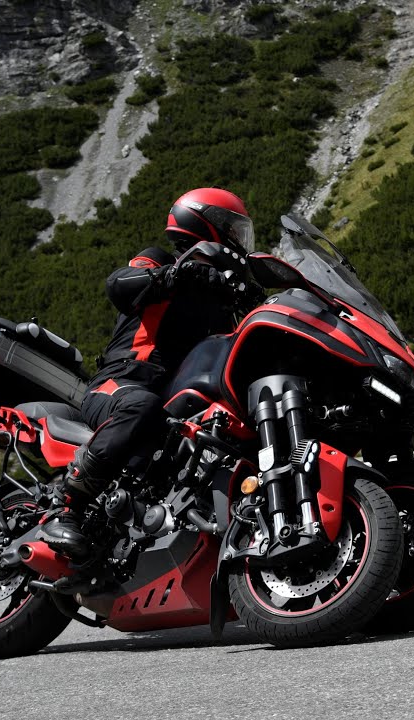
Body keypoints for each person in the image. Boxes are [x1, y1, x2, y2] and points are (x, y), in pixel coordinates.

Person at [38, 187, 255, 558]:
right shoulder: (161, 262)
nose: (237, 238)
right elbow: (120, 285)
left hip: (174, 400)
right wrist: (177, 276)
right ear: (204, 222)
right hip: (122, 381)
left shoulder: (223, 301)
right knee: (140, 406)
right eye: (231, 227)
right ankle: (65, 506)